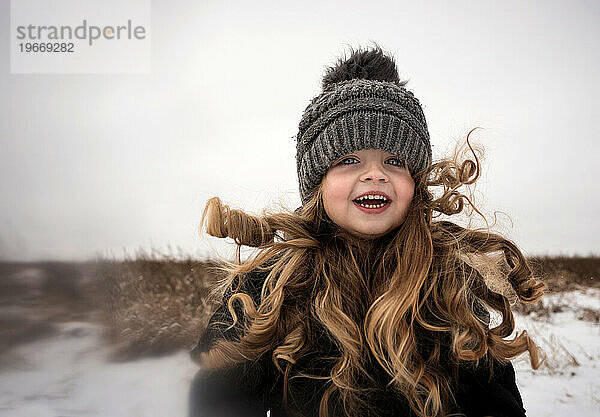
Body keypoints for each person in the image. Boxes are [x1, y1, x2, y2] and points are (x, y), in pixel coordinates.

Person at [187, 45, 546, 417]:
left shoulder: (449, 282)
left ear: (416, 185)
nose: (375, 174)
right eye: (349, 160)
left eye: (394, 161)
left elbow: (495, 401)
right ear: (317, 185)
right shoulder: (269, 287)